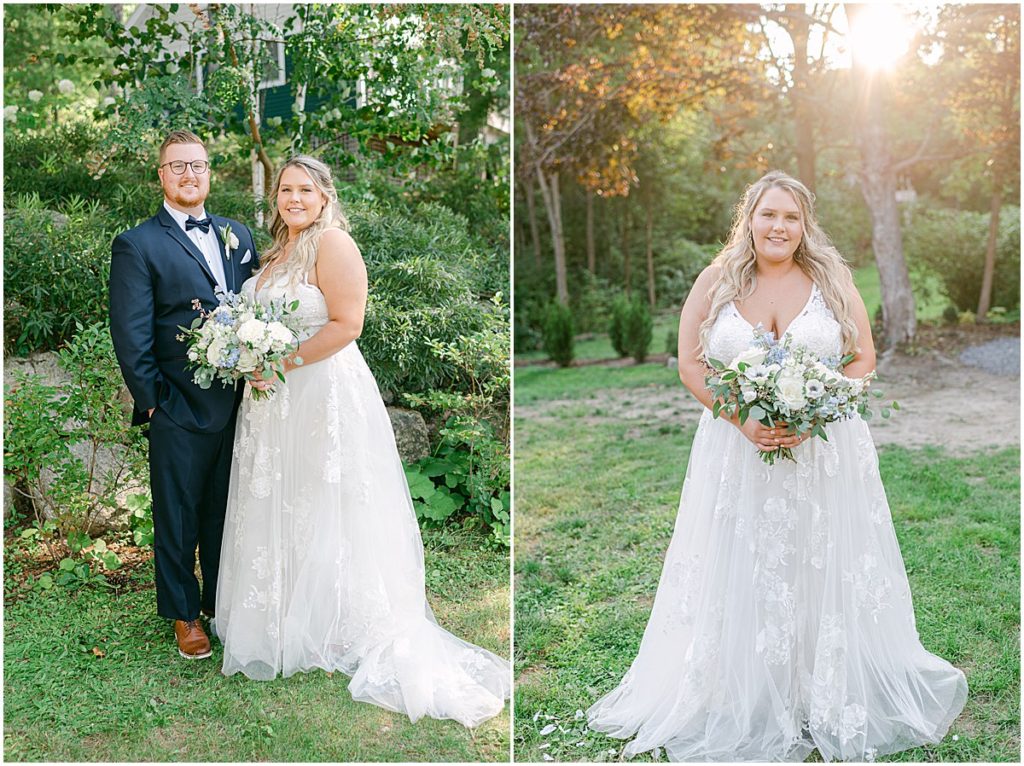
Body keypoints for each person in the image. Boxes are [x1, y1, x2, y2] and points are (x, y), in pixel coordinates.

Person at [587, 171, 967, 761]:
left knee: (819, 560)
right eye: (769, 215)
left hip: (822, 451)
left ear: (804, 224)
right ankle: (747, 684)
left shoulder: (830, 279)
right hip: (735, 452)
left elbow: (863, 356)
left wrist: (819, 405)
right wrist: (742, 420)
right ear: (750, 218)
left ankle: (822, 683)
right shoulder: (716, 280)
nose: (779, 227)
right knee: (746, 561)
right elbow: (690, 365)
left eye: (791, 217)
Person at [214, 156, 510, 728]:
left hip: (320, 391)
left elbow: (347, 324)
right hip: (271, 401)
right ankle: (282, 615)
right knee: (282, 499)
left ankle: (339, 619)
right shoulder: (273, 253)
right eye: (284, 189)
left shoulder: (334, 245)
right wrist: (246, 356)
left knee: (329, 503)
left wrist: (279, 361)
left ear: (325, 197)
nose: (293, 198)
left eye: (305, 189)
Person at [109, 129, 259, 660]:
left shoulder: (237, 233)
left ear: (209, 171)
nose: (189, 175)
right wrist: (153, 402)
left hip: (241, 404)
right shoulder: (137, 244)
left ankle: (222, 600)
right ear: (161, 176)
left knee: (227, 508)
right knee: (177, 513)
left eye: (197, 165)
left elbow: (256, 311)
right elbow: (131, 332)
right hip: (177, 403)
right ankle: (184, 614)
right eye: (178, 167)